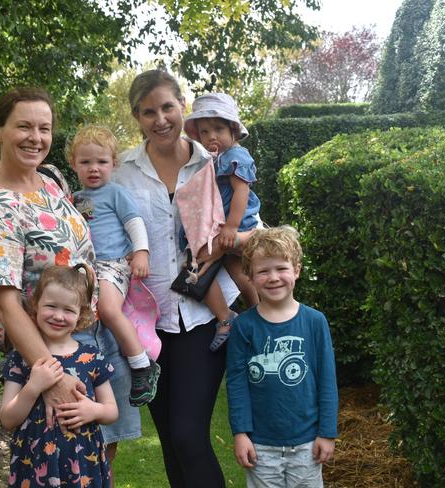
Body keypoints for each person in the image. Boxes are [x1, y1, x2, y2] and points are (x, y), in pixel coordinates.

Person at [0, 87, 140, 481]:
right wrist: (52, 377)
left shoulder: (50, 181)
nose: (36, 137)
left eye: (44, 128)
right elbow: (8, 303)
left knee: (92, 457)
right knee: (53, 464)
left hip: (85, 339)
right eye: (24, 126)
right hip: (44, 356)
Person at [113, 69, 244, 487]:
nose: (160, 119)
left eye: (167, 107)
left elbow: (252, 227)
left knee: (189, 435)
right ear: (137, 116)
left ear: (182, 106)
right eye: (148, 111)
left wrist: (226, 243)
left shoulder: (215, 162)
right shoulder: (122, 174)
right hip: (146, 324)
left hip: (204, 318)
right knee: (170, 440)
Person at [226, 226, 338, 487]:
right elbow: (237, 383)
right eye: (263, 271)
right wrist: (241, 433)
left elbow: (327, 381)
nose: (273, 277)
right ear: (250, 278)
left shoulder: (315, 322)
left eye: (281, 268)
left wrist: (327, 432)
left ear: (296, 270)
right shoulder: (244, 326)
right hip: (261, 445)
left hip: (307, 444)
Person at [0, 264, 118, 487]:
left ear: (81, 314)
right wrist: (33, 387)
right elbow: (7, 418)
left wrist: (94, 410)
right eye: (51, 306)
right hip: (34, 465)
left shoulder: (91, 356)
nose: (58, 316)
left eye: (68, 310)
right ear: (35, 304)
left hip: (83, 466)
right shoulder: (22, 358)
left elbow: (112, 410)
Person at [67, 125, 160, 407]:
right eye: (85, 162)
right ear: (74, 164)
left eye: (101, 162)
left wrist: (141, 253)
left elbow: (134, 223)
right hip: (88, 268)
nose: (94, 168)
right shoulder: (74, 198)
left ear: (114, 164)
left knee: (107, 309)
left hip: (114, 264)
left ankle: (142, 365)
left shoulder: (115, 193)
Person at [180, 92, 261, 352]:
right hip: (222, 224)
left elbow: (241, 192)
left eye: (218, 129)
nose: (211, 136)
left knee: (199, 264)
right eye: (204, 132)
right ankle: (231, 316)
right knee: (234, 271)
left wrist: (231, 227)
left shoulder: (237, 155)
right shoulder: (214, 160)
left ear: (233, 130)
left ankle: (255, 312)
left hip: (237, 224)